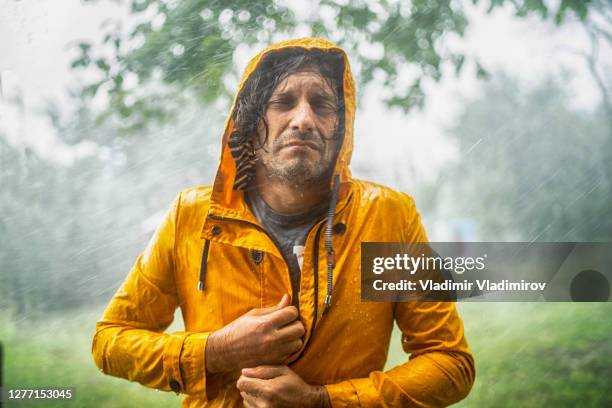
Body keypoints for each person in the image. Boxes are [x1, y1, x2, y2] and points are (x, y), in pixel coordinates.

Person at [92, 38, 475, 407]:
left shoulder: (389, 216)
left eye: (323, 104)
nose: (303, 120)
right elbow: (111, 342)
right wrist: (215, 351)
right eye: (284, 102)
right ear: (252, 122)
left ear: (341, 126)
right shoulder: (192, 216)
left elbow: (449, 363)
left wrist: (323, 402)